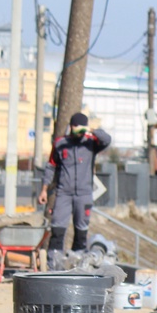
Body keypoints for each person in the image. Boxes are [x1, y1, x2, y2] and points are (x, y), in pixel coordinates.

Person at [38, 112, 111, 269]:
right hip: (64, 193)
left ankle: (78, 264)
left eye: (80, 127)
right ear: (70, 127)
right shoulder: (60, 143)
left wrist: (91, 129)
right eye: (75, 126)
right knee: (57, 229)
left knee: (81, 231)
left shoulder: (91, 142)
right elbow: (50, 167)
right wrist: (44, 189)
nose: (77, 130)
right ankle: (53, 264)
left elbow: (107, 140)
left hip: (84, 194)